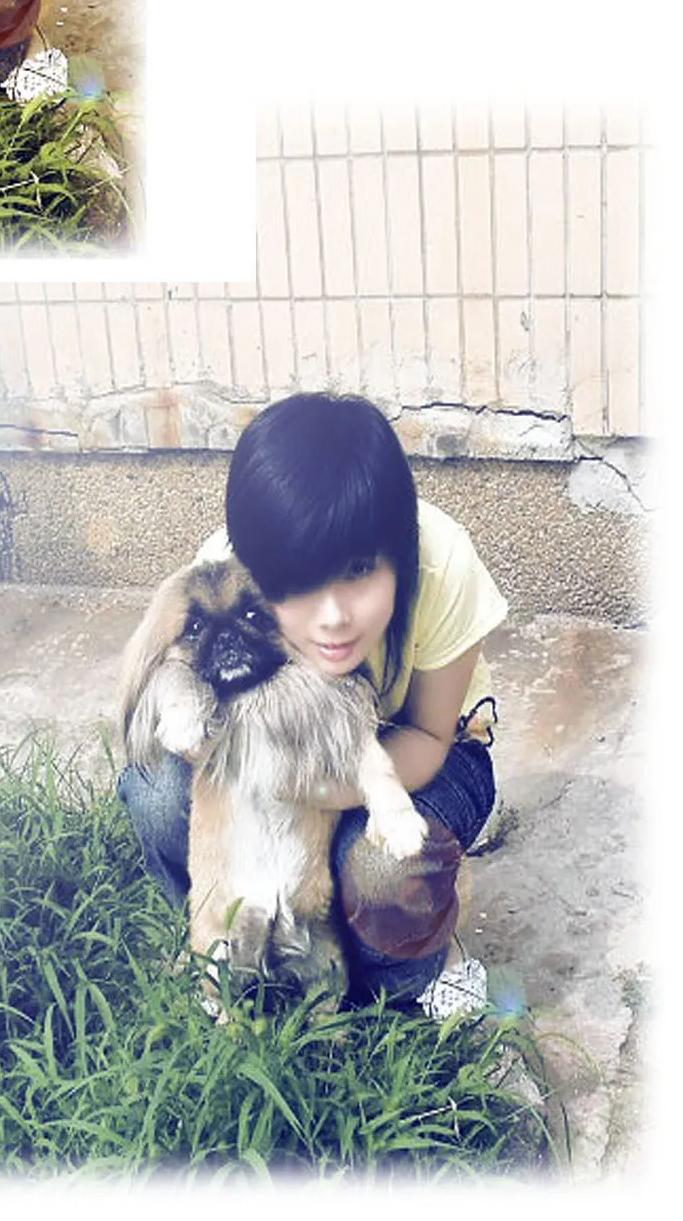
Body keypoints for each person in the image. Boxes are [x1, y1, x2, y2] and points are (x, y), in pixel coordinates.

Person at [118, 391, 509, 1017]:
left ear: (400, 551)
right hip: (266, 760)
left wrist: (314, 791)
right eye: (295, 584)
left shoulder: (444, 563)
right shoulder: (226, 571)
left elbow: (431, 738)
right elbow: (173, 684)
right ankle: (221, 941)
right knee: (156, 792)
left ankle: (424, 961)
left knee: (379, 868)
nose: (332, 617)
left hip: (421, 751)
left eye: (358, 571)